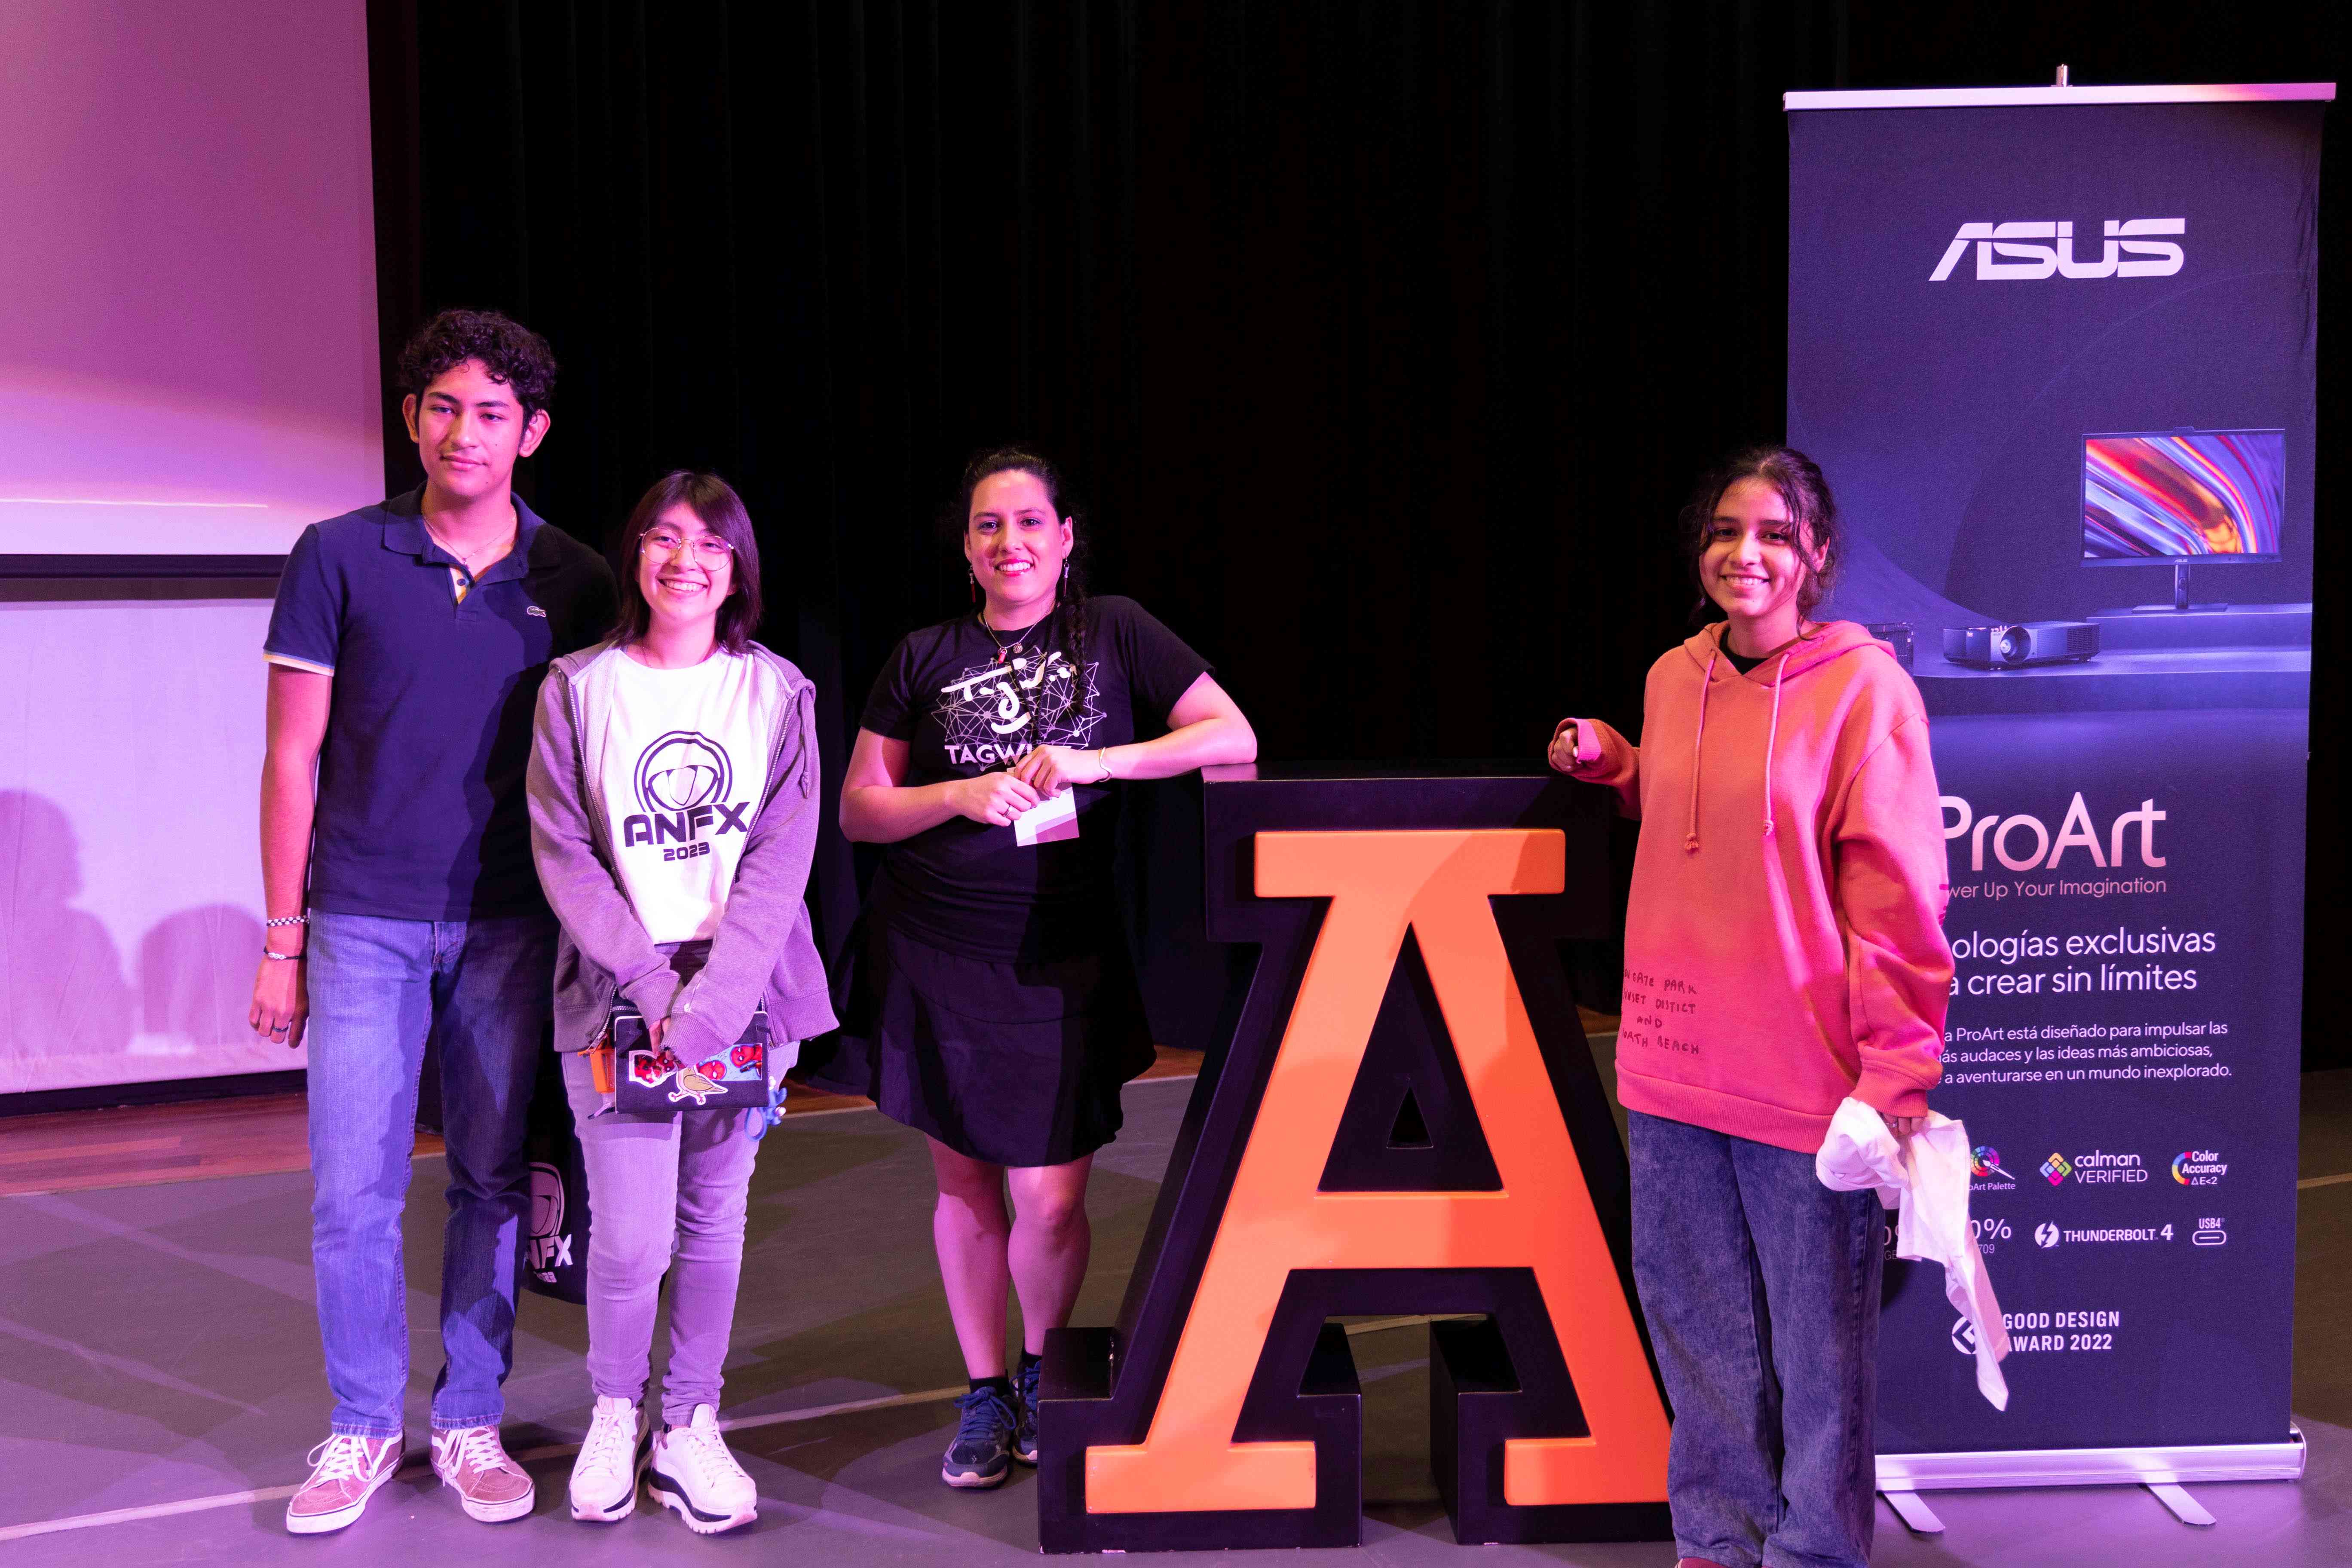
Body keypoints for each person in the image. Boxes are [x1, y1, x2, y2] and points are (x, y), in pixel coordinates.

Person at [1546, 446, 1950, 1568]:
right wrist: (1621, 766)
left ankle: (1813, 1551)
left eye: (1775, 533)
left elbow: (1902, 898)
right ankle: (1717, 1542)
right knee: (1698, 1331)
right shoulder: (1673, 677)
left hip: (1806, 1085)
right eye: (1727, 531)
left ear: (1817, 554)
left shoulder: (1866, 692)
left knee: (1821, 1351)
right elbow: (1707, 795)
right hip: (1672, 1064)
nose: (1746, 554)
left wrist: (1898, 1073)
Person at [251, 309, 616, 1534]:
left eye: (492, 413)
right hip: (361, 920)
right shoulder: (338, 554)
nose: (466, 432)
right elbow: (291, 760)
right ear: (412, 419)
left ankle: (469, 1417)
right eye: (444, 407)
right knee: (353, 1190)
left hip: (514, 925)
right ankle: (363, 1425)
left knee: (493, 1180)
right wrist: (284, 937)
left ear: (532, 433)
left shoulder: (577, 579)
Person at [830, 448, 1256, 1490]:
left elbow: (1229, 733)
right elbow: (860, 811)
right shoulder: (923, 654)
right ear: (966, 548)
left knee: (1052, 1198)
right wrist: (957, 794)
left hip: (1064, 957)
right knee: (968, 1186)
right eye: (988, 525)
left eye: (1029, 522)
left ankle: (1042, 1365)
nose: (1009, 541)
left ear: (1066, 540)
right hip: (936, 948)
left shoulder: (1115, 629)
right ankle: (987, 1391)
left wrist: (1098, 761)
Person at [526, 471, 834, 1535]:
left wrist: (714, 1004)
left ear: (737, 570)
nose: (684, 561)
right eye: (662, 539)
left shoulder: (779, 692)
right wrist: (656, 987)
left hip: (745, 990)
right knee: (629, 1239)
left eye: (709, 544)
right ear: (635, 556)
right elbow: (564, 854)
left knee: (713, 1225)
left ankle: (689, 1425)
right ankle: (616, 1411)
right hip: (619, 992)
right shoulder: (577, 688)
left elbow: (782, 860)